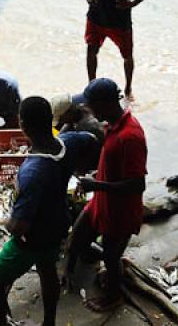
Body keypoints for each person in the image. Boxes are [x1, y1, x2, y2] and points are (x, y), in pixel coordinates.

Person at [0, 97, 98, 326]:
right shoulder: (68, 142)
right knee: (47, 272)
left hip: (32, 239)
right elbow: (94, 139)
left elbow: (18, 228)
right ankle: (49, 323)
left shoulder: (33, 171)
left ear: (23, 125)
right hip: (58, 225)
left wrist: (6, 220)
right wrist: (84, 170)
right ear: (50, 121)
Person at [65, 78, 148, 312]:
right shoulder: (111, 125)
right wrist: (95, 175)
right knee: (79, 235)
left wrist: (97, 185)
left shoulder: (130, 136)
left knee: (111, 256)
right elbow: (113, 165)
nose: (89, 111)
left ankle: (114, 297)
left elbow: (137, 184)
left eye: (92, 105)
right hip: (100, 203)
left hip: (120, 210)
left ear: (106, 103)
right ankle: (68, 272)